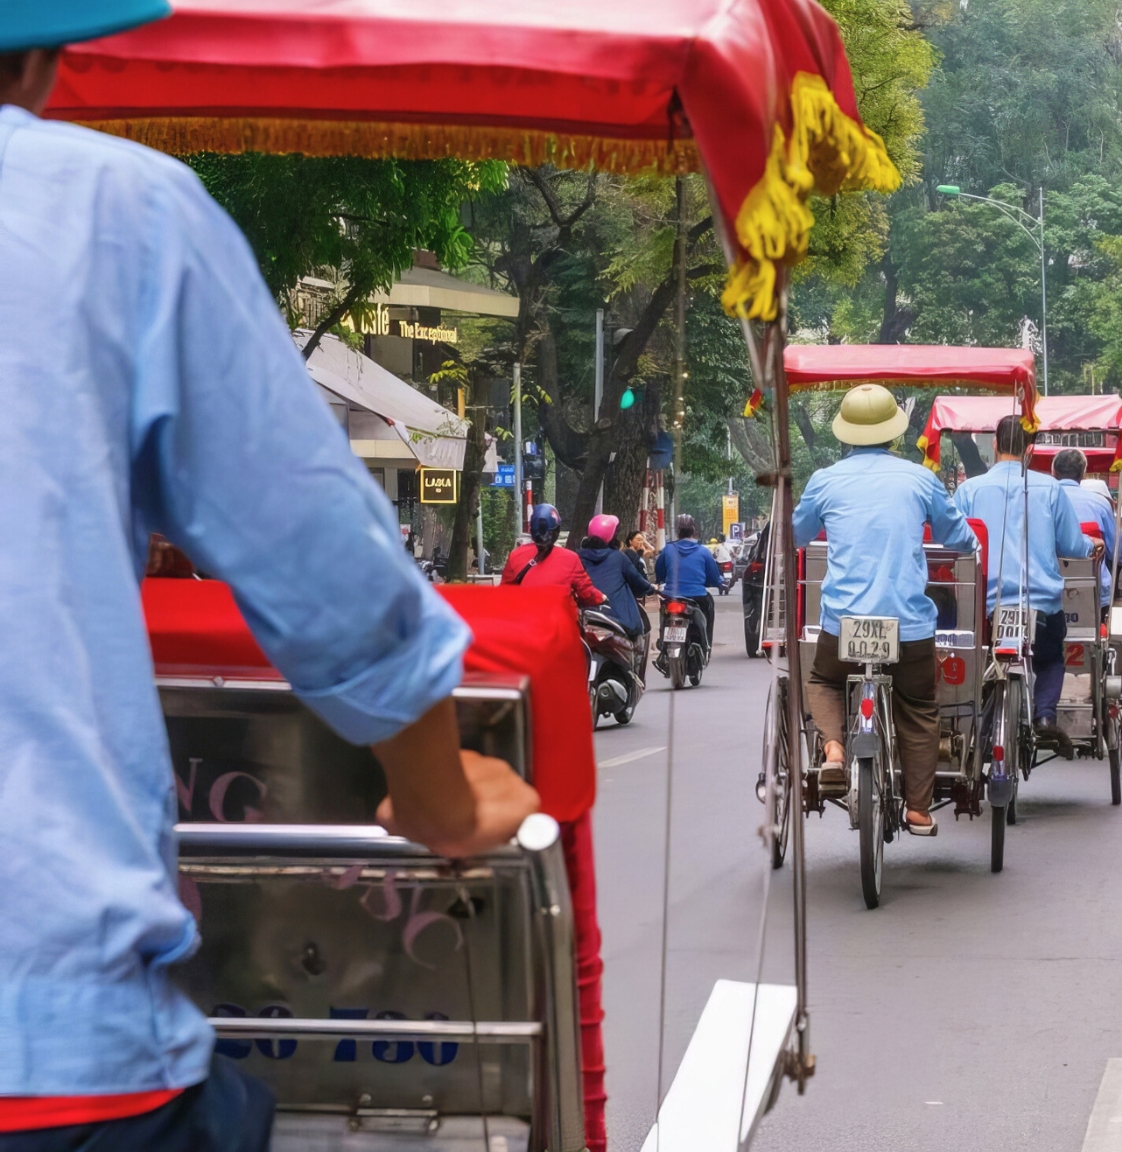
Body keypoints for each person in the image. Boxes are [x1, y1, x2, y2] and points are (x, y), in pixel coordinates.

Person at [0, 18, 541, 1146]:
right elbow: (327, 569)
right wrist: (438, 798)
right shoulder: (119, 214)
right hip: (55, 1054)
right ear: (43, 61)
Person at [794, 384, 978, 835]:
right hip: (908, 625)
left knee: (822, 679)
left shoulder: (824, 480)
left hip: (844, 623)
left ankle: (834, 748)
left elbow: (796, 535)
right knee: (917, 706)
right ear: (893, 433)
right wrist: (968, 545)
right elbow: (957, 536)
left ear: (846, 434)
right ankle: (918, 809)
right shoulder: (920, 479)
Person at [955, 418, 1100, 749]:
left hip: (984, 605)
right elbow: (1072, 547)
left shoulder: (968, 490)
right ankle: (1045, 714)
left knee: (978, 658)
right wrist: (1091, 545)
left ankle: (981, 720)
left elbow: (956, 544)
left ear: (994, 445)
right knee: (1050, 657)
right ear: (1030, 450)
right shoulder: (1049, 488)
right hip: (1041, 604)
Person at [1053, 449, 1122, 618]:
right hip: (1094, 588)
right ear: (1083, 473)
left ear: (1053, 471)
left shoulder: (1040, 500)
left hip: (1050, 588)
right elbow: (1117, 552)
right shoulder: (1100, 503)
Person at [504, 505, 607, 610]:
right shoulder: (570, 559)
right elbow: (586, 591)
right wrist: (602, 598)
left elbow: (504, 593)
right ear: (556, 531)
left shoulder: (515, 555)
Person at [578, 515, 656, 637]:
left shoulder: (578, 557)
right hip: (617, 619)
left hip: (584, 617)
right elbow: (637, 580)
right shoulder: (619, 557)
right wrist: (652, 589)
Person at [655, 514, 725, 647]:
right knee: (709, 605)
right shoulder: (704, 552)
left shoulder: (668, 549)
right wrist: (719, 583)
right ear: (693, 530)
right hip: (697, 597)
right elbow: (714, 577)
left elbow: (659, 574)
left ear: (677, 531)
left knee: (663, 610)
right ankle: (706, 645)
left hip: (671, 596)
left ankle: (662, 639)